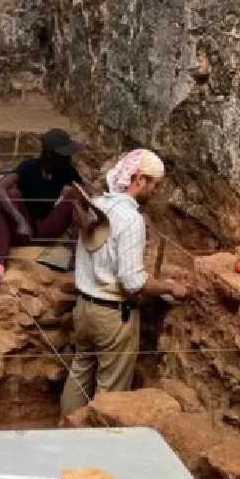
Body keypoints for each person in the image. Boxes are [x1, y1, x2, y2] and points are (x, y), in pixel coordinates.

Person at [59, 149, 189, 418]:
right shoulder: (131, 220)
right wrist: (169, 287)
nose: (155, 191)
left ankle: (65, 431)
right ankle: (96, 453)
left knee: (80, 371)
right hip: (112, 316)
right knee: (110, 393)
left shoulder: (97, 204)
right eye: (154, 184)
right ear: (139, 179)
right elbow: (132, 282)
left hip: (84, 308)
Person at [0, 128, 84, 282]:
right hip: (22, 230)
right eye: (64, 155)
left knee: (75, 197)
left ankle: (75, 257)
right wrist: (20, 221)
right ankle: (1, 261)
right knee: (12, 195)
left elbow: (85, 191)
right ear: (49, 154)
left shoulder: (66, 170)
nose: (69, 158)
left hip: (45, 230)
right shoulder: (29, 167)